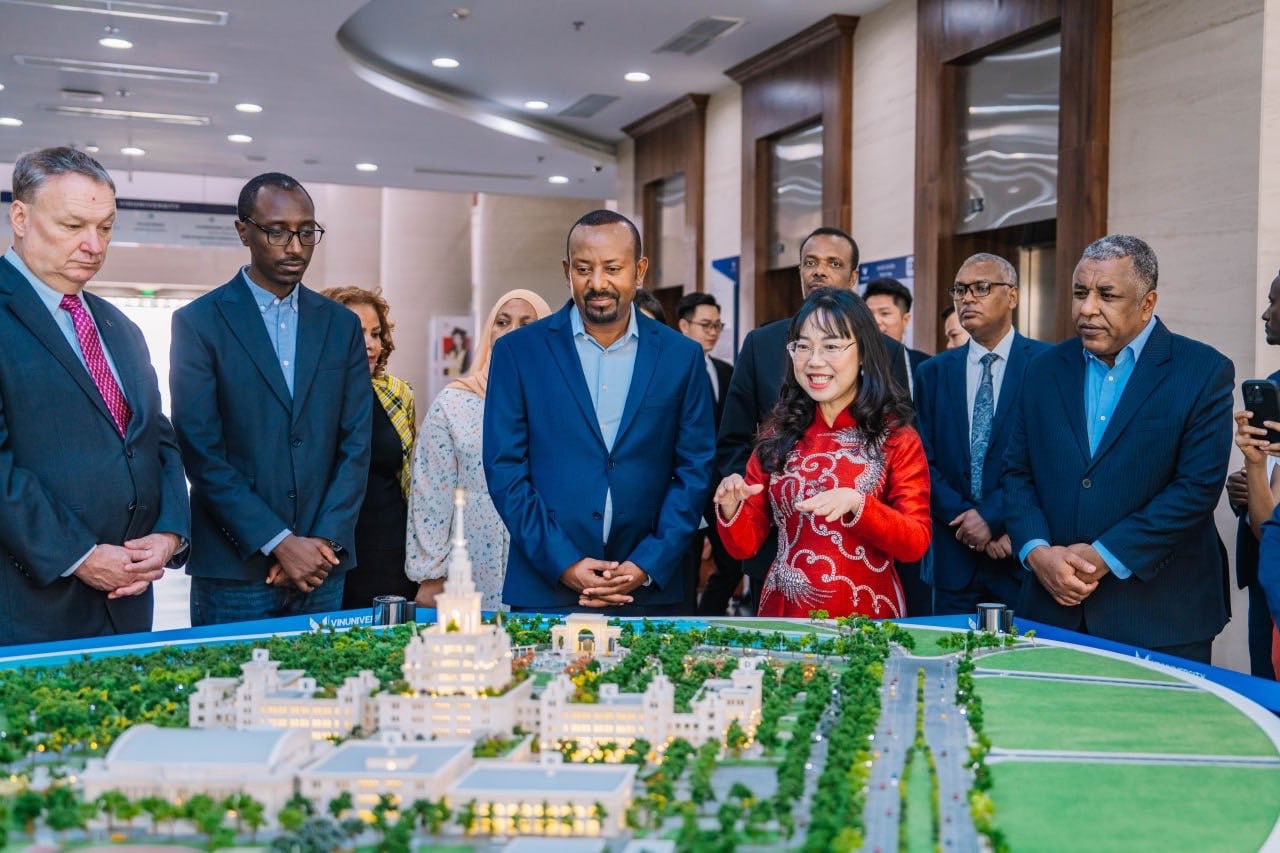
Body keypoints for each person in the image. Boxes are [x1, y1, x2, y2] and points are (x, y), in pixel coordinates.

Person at [1004, 235, 1233, 663]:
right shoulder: (1042, 369)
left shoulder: (1203, 371)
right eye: (1080, 293)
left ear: (1148, 304)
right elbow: (1016, 472)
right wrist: (1036, 551)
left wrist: (1105, 555)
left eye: (1107, 295)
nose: (1087, 309)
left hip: (1160, 615)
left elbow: (1196, 489)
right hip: (1052, 609)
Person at [0, 147, 190, 645]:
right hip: (28, 604)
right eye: (72, 226)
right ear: (20, 217)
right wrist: (79, 555)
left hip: (128, 602)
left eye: (105, 228)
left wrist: (169, 534)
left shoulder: (119, 326)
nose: (93, 244)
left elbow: (156, 439)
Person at [484, 210, 714, 615]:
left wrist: (648, 562)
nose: (597, 283)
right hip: (546, 588)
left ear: (639, 271)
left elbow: (695, 469)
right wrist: (564, 562)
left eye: (612, 268)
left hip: (648, 589)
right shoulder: (518, 353)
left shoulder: (682, 356)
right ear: (567, 272)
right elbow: (505, 469)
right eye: (583, 269)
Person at [171, 172, 372, 626]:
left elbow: (356, 444)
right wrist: (278, 542)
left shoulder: (340, 325)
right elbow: (201, 452)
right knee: (230, 675)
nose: (295, 247)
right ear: (243, 231)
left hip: (324, 566)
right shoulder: (199, 323)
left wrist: (323, 543)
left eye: (306, 232)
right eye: (277, 231)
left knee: (326, 674)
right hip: (235, 568)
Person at [717, 227, 910, 613]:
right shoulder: (761, 344)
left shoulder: (884, 351)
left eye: (833, 263)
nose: (819, 271)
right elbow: (734, 440)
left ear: (853, 278)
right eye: (810, 262)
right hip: (776, 551)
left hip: (866, 560)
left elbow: (902, 477)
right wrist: (756, 503)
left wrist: (860, 505)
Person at [914, 253, 1048, 615]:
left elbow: (1050, 459)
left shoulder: (1047, 365)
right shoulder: (932, 373)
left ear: (1013, 295)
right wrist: (969, 522)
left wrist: (993, 518)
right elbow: (921, 461)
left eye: (981, 288)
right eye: (960, 290)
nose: (967, 298)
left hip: (1017, 551)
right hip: (952, 556)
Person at [408, 288, 553, 611]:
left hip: (540, 555)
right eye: (502, 322)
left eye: (526, 323)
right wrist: (431, 574)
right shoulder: (453, 403)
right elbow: (431, 493)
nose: (512, 332)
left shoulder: (561, 404)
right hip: (470, 558)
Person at [320, 286, 418, 610]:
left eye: (375, 333)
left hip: (391, 549)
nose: (370, 344)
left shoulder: (397, 393)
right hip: (329, 550)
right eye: (357, 333)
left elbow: (410, 480)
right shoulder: (312, 399)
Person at [673, 292, 741, 615]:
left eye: (717, 325)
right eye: (705, 325)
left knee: (732, 562)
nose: (713, 332)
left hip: (719, 486)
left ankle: (709, 616)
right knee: (686, 563)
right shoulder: (670, 369)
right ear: (684, 326)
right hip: (684, 482)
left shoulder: (725, 371)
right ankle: (687, 623)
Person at [1229, 268, 1280, 678]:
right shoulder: (1275, 385)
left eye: (1274, 302)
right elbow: (1266, 524)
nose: (1265, 314)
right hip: (1268, 578)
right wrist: (1252, 475)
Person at [863, 277, 929, 393]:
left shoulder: (925, 366)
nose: (875, 321)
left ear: (905, 320)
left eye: (884, 313)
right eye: (869, 314)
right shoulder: (851, 364)